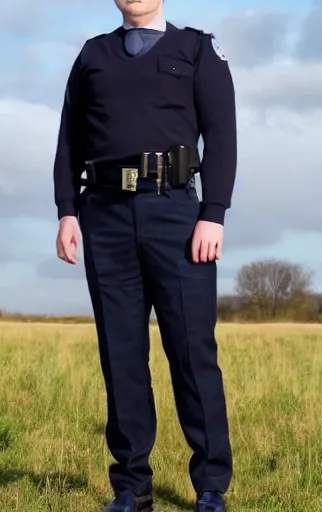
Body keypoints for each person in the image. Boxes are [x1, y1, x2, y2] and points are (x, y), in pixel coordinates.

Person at [52, 0, 237, 510]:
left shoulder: (198, 49)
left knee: (192, 353)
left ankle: (210, 486)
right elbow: (69, 138)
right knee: (121, 354)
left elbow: (221, 135)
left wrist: (213, 213)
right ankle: (132, 486)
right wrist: (67, 210)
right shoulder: (93, 55)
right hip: (104, 214)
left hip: (177, 215)